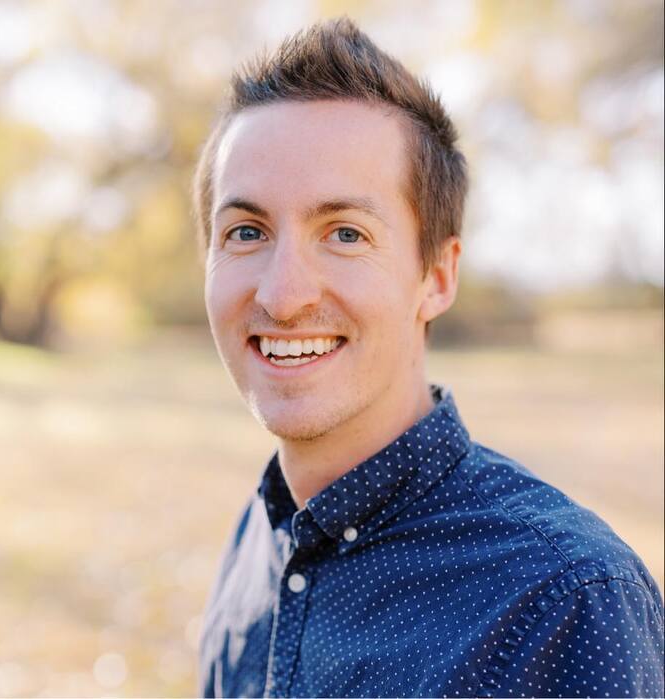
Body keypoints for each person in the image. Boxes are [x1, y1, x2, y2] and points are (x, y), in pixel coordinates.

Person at [193, 17, 663, 698]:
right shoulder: (260, 533)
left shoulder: (565, 600)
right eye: (246, 231)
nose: (283, 295)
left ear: (437, 277)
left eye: (345, 233)